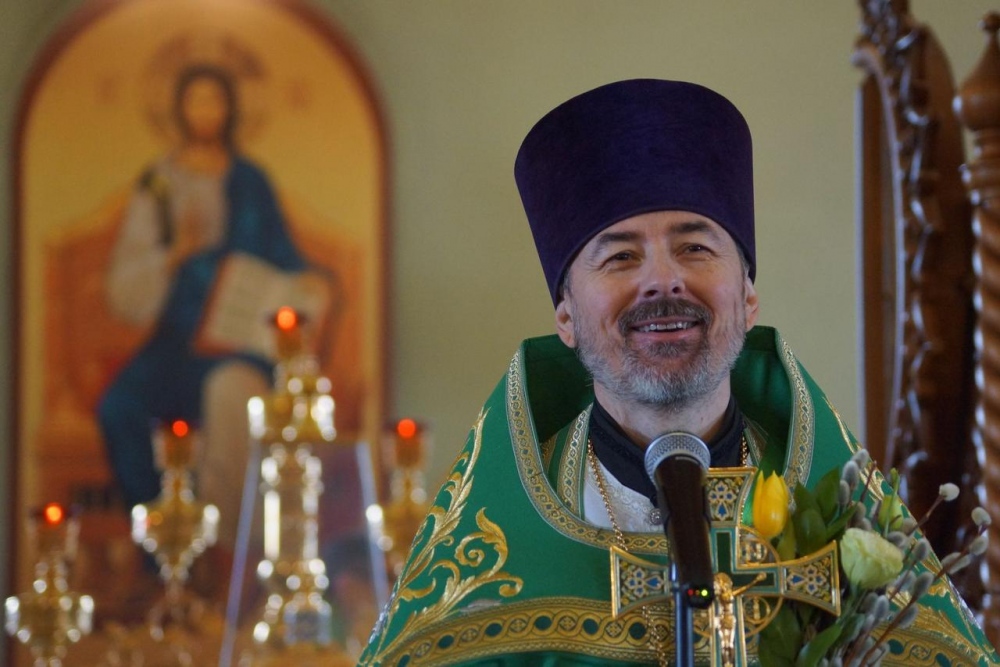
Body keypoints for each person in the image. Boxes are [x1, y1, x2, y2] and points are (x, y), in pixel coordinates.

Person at [359, 80, 999, 665]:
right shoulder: (506, 543)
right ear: (566, 316)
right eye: (620, 257)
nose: (663, 280)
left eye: (694, 247)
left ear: (747, 297)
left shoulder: (836, 518)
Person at [98, 63, 307, 547]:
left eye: (215, 100)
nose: (206, 111)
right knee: (120, 407)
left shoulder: (250, 181)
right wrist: (175, 254)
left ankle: (229, 556)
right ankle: (163, 549)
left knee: (231, 395)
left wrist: (309, 283)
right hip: (177, 339)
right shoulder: (160, 182)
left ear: (230, 108)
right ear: (179, 109)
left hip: (238, 341)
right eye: (196, 100)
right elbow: (126, 280)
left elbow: (284, 258)